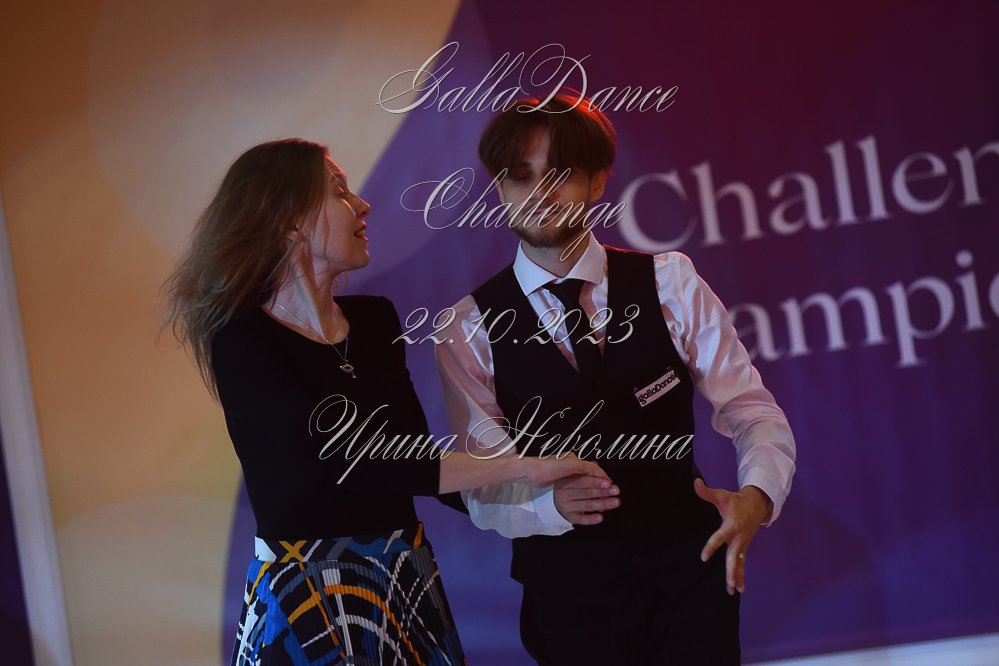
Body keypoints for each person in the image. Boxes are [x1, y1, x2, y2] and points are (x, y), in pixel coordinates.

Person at [162, 138, 610, 665]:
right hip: (306, 596)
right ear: (290, 220)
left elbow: (416, 461)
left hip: (404, 582)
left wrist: (541, 503)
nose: (363, 204)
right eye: (338, 191)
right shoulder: (242, 340)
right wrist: (523, 467)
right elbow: (354, 463)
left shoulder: (374, 320)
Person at [434, 96, 797, 664]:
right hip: (568, 604)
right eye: (520, 176)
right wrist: (549, 507)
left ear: (599, 181)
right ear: (499, 189)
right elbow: (482, 485)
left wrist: (758, 496)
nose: (539, 192)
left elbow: (752, 411)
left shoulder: (670, 282)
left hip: (690, 583)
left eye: (560, 174)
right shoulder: (466, 327)